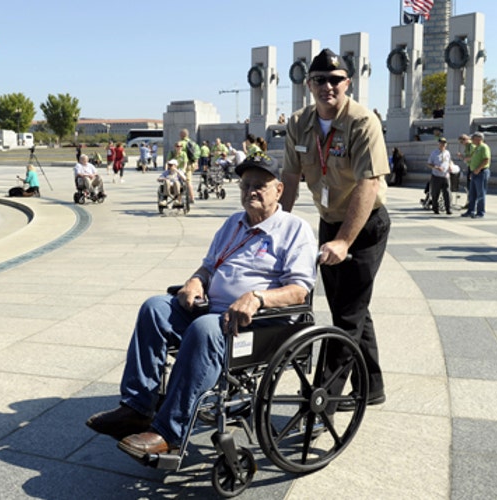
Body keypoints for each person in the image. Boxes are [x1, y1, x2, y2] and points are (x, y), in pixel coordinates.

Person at [86, 155, 317, 458]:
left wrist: (259, 297)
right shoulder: (233, 223)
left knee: (205, 327)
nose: (251, 191)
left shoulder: (294, 229)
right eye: (246, 185)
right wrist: (195, 281)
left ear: (279, 190)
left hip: (259, 324)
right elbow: (208, 267)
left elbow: (299, 291)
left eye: (260, 186)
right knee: (155, 308)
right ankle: (137, 407)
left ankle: (169, 431)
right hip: (212, 311)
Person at [280, 48, 391, 411]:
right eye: (319, 80)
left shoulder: (362, 122)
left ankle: (324, 397)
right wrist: (277, 225)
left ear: (348, 83)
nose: (327, 86)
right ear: (308, 85)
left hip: (363, 226)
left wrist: (345, 240)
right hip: (329, 222)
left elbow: (368, 184)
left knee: (346, 315)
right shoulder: (299, 122)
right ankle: (371, 387)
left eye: (335, 80)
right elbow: (291, 176)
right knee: (353, 307)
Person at [461, 131, 491, 218]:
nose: (472, 140)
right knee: (472, 193)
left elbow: (486, 160)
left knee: (480, 193)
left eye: (473, 138)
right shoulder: (476, 148)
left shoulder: (484, 147)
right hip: (474, 172)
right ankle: (471, 210)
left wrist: (478, 169)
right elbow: (472, 159)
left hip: (481, 172)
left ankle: (480, 212)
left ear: (479, 139)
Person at [428, 137, 452, 214]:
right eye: (441, 143)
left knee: (447, 193)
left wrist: (450, 167)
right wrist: (436, 167)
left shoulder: (447, 153)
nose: (443, 145)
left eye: (444, 143)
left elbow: (449, 161)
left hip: (445, 175)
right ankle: (435, 208)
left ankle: (448, 208)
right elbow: (429, 164)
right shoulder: (434, 153)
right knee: (435, 193)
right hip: (436, 175)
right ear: (438, 144)